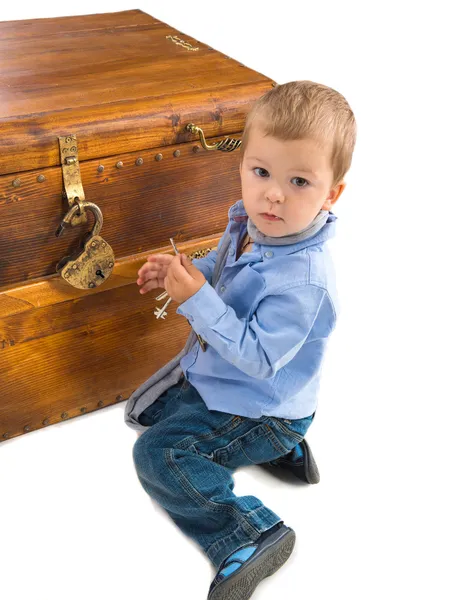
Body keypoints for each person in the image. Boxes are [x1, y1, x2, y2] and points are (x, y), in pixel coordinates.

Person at [129, 80, 357, 600]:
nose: (273, 193)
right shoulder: (255, 221)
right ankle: (281, 451)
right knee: (155, 408)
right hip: (234, 385)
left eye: (299, 181)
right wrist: (185, 271)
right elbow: (224, 270)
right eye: (261, 172)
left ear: (332, 193)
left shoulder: (304, 282)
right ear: (243, 166)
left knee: (158, 455)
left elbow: (257, 359)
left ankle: (249, 532)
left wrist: (196, 300)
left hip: (263, 401)